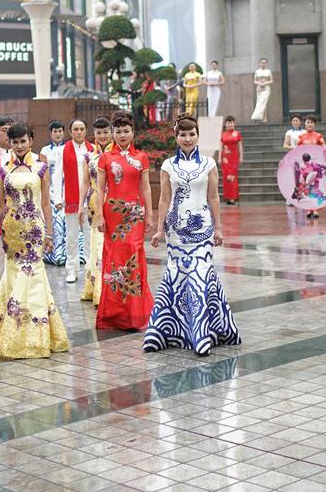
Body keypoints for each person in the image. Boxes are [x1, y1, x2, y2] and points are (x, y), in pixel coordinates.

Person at [144, 114, 241, 355]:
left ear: (198, 135)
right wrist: (159, 229)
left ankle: (202, 334)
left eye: (191, 134)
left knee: (200, 274)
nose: (187, 139)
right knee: (177, 276)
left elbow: (213, 197)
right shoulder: (168, 166)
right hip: (175, 232)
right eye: (183, 134)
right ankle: (165, 332)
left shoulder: (209, 164)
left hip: (203, 229)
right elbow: (164, 198)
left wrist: (218, 227)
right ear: (176, 137)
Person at [0, 124, 70, 358]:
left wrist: (50, 233)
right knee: (13, 276)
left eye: (23, 141)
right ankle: (14, 332)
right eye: (15, 142)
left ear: (31, 141)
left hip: (34, 232)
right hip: (12, 233)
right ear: (9, 143)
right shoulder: (4, 170)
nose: (19, 146)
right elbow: (0, 205)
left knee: (34, 276)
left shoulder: (41, 168)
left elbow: (45, 204)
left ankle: (35, 336)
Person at [94, 112, 154, 330]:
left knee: (134, 254)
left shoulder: (142, 157)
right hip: (113, 213)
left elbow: (145, 187)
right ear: (113, 133)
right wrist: (99, 214)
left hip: (135, 214)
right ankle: (115, 314)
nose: (122, 135)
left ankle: (136, 313)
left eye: (126, 130)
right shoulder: (106, 158)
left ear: (133, 132)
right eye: (118, 131)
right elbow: (100, 189)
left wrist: (150, 214)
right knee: (114, 258)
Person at [79, 117, 112, 306]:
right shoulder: (89, 156)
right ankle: (95, 289)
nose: (102, 136)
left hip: (112, 204)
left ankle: (104, 291)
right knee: (95, 246)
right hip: (93, 205)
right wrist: (81, 205)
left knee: (104, 246)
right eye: (99, 133)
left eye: (106, 132)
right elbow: (84, 182)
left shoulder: (117, 155)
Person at [62, 119, 92, 284]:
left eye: (81, 129)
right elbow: (57, 175)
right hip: (71, 200)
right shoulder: (63, 150)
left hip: (90, 200)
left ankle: (90, 269)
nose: (79, 132)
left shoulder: (93, 150)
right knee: (72, 237)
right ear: (70, 132)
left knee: (89, 236)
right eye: (75, 129)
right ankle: (71, 270)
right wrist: (58, 198)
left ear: (86, 131)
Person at [39, 120, 67, 266]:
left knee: (65, 223)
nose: (58, 134)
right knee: (52, 222)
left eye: (60, 131)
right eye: (55, 131)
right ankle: (52, 254)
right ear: (50, 133)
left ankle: (65, 254)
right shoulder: (45, 150)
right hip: (50, 190)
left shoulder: (68, 148)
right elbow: (45, 172)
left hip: (66, 189)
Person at [220, 116, 243, 205]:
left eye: (232, 122)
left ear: (234, 123)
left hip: (234, 158)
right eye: (228, 122)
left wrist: (241, 157)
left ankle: (233, 198)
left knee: (233, 178)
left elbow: (240, 146)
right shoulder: (223, 134)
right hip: (225, 158)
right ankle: (227, 197)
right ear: (225, 124)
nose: (230, 124)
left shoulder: (237, 134)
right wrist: (219, 157)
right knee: (226, 178)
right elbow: (220, 146)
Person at [252, 58, 272, 122]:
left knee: (264, 102)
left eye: (264, 63)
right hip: (259, 88)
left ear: (266, 64)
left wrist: (266, 83)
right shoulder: (257, 71)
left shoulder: (268, 71)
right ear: (259, 63)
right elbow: (255, 80)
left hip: (266, 88)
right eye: (262, 62)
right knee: (260, 102)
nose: (263, 64)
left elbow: (271, 80)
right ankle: (259, 116)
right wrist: (259, 83)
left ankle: (264, 117)